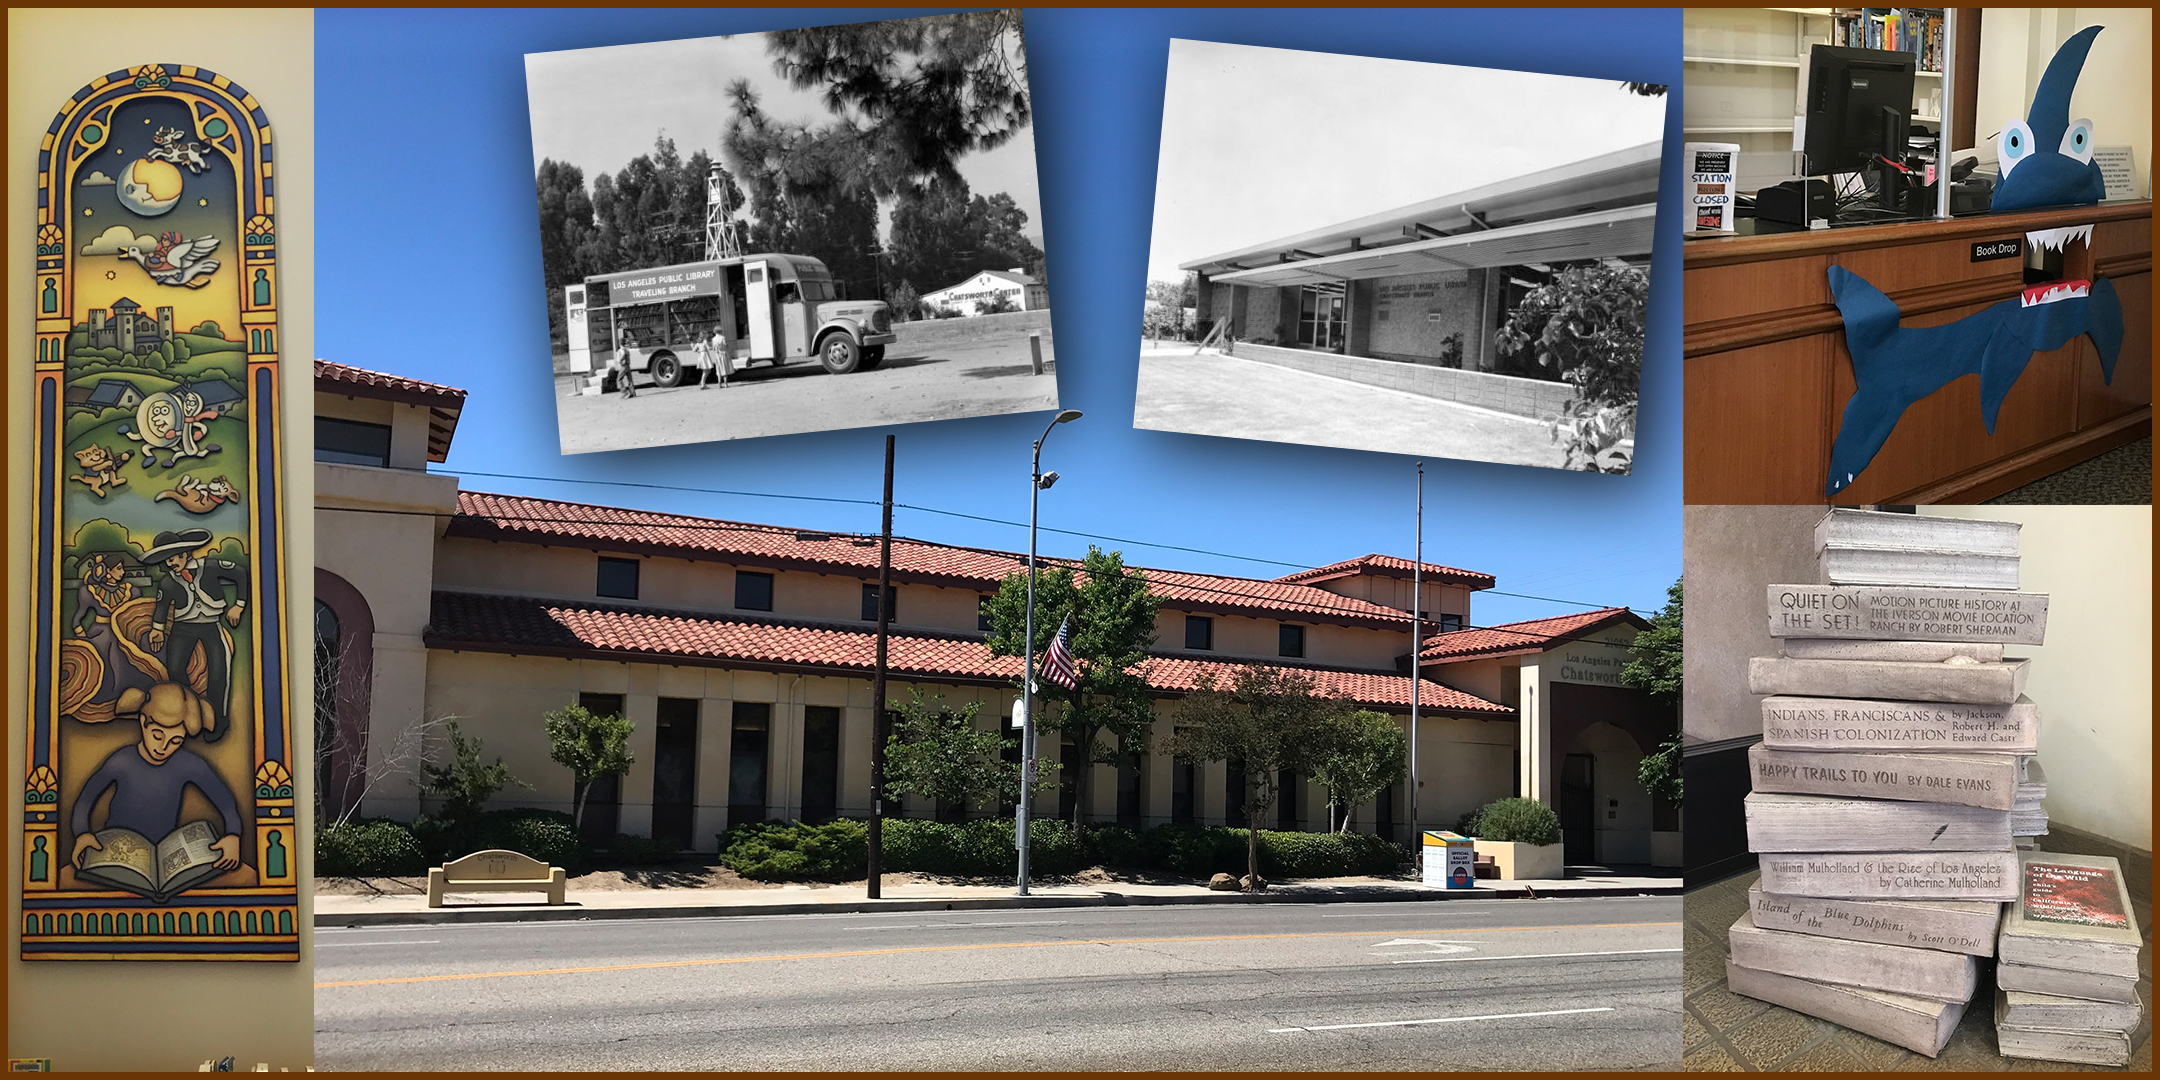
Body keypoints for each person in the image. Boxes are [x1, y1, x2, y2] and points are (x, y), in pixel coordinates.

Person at [70, 682, 244, 875]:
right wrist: (82, 833)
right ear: (143, 722)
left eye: (175, 741)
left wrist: (233, 835)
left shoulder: (189, 764)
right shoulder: (122, 761)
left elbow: (225, 801)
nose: (163, 747)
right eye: (157, 735)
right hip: (117, 853)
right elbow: (86, 799)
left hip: (165, 855)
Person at [142, 528, 246, 737]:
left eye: (173, 558)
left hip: (211, 625)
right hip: (182, 628)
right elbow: (162, 606)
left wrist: (239, 605)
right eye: (166, 560)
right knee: (175, 670)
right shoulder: (168, 582)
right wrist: (157, 629)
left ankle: (218, 720)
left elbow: (241, 573)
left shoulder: (209, 566)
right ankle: (190, 713)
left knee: (219, 670)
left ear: (185, 553)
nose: (170, 563)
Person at [612, 334, 637, 399]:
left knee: (619, 379)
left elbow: (619, 358)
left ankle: (624, 391)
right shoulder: (627, 350)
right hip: (628, 366)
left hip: (623, 366)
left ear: (620, 344)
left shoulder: (620, 351)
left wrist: (620, 359)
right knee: (630, 379)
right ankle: (632, 393)